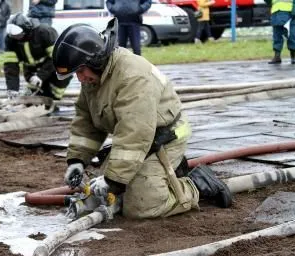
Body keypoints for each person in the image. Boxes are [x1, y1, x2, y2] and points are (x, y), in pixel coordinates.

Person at [52, 19, 232, 219]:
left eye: (80, 71)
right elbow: (86, 121)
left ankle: (194, 185)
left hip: (165, 139)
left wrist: (113, 181)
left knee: (141, 206)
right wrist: (77, 160)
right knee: (109, 188)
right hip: (142, 140)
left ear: (94, 60)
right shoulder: (96, 76)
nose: (80, 78)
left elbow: (134, 133)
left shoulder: (132, 77)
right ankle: (162, 175)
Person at [3, 13, 72, 100]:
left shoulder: (45, 32)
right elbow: (10, 67)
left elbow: (56, 58)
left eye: (19, 35)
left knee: (50, 96)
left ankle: (54, 99)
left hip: (54, 69)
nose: (16, 38)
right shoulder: (10, 39)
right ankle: (42, 94)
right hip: (32, 73)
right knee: (30, 99)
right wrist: (12, 89)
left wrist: (40, 76)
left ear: (27, 30)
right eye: (13, 36)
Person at [265, 0, 295, 64]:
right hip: (276, 13)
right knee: (277, 36)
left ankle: (293, 57)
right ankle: (277, 57)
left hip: (289, 14)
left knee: (291, 36)